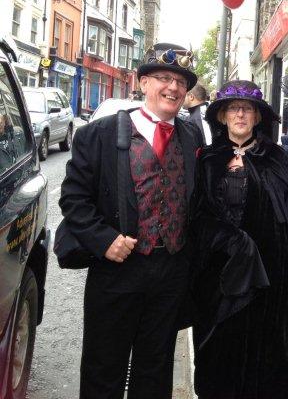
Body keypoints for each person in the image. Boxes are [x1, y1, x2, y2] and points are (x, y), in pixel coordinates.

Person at [58, 43, 203, 399]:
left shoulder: (191, 136)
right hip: (116, 272)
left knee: (154, 373)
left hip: (170, 274)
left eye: (180, 82)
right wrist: (103, 239)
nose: (172, 88)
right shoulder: (99, 134)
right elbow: (73, 198)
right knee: (103, 369)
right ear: (142, 83)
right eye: (163, 78)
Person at [190, 80, 288, 398]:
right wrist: (229, 240)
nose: (240, 114)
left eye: (247, 109)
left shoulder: (277, 159)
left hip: (265, 278)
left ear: (257, 117)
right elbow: (195, 216)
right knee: (218, 355)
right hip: (219, 277)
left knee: (261, 359)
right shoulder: (207, 159)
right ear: (223, 117)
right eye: (233, 109)